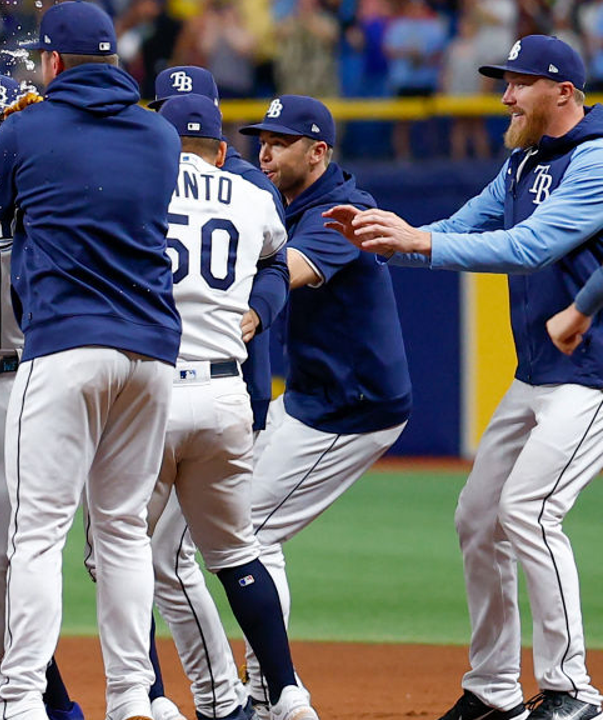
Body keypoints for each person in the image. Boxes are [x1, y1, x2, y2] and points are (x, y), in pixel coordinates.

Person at [0, 4, 180, 720]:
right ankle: (133, 700)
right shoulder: (159, 134)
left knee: (36, 535)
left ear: (53, 62)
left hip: (63, 348)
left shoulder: (26, 130)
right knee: (121, 530)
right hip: (151, 354)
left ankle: (20, 698)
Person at [326, 34, 603, 720]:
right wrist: (392, 236)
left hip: (591, 376)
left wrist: (421, 240)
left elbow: (530, 245)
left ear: (562, 91)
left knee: (530, 512)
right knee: (478, 517)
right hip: (538, 373)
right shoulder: (522, 161)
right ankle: (494, 688)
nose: (504, 95)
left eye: (519, 83)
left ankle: (575, 691)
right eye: (504, 81)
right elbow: (461, 226)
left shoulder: (596, 158)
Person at [236, 94, 411, 713]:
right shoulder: (283, 200)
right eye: (262, 138)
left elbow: (294, 268)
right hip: (310, 395)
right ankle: (266, 687)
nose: (265, 150)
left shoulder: (342, 210)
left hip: (351, 406)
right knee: (242, 529)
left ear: (318, 152)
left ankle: (270, 695)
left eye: (280, 142)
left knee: (244, 533)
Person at [149, 93, 318, 720]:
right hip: (226, 393)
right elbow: (274, 258)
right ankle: (289, 691)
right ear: (222, 151)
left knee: (120, 553)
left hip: (153, 391)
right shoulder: (249, 196)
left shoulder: (139, 190)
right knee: (236, 553)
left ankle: (149, 699)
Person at [0, 70, 88, 720]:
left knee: (2, 557)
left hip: (13, 383)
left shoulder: (42, 190)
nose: (0, 136)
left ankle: (11, 690)